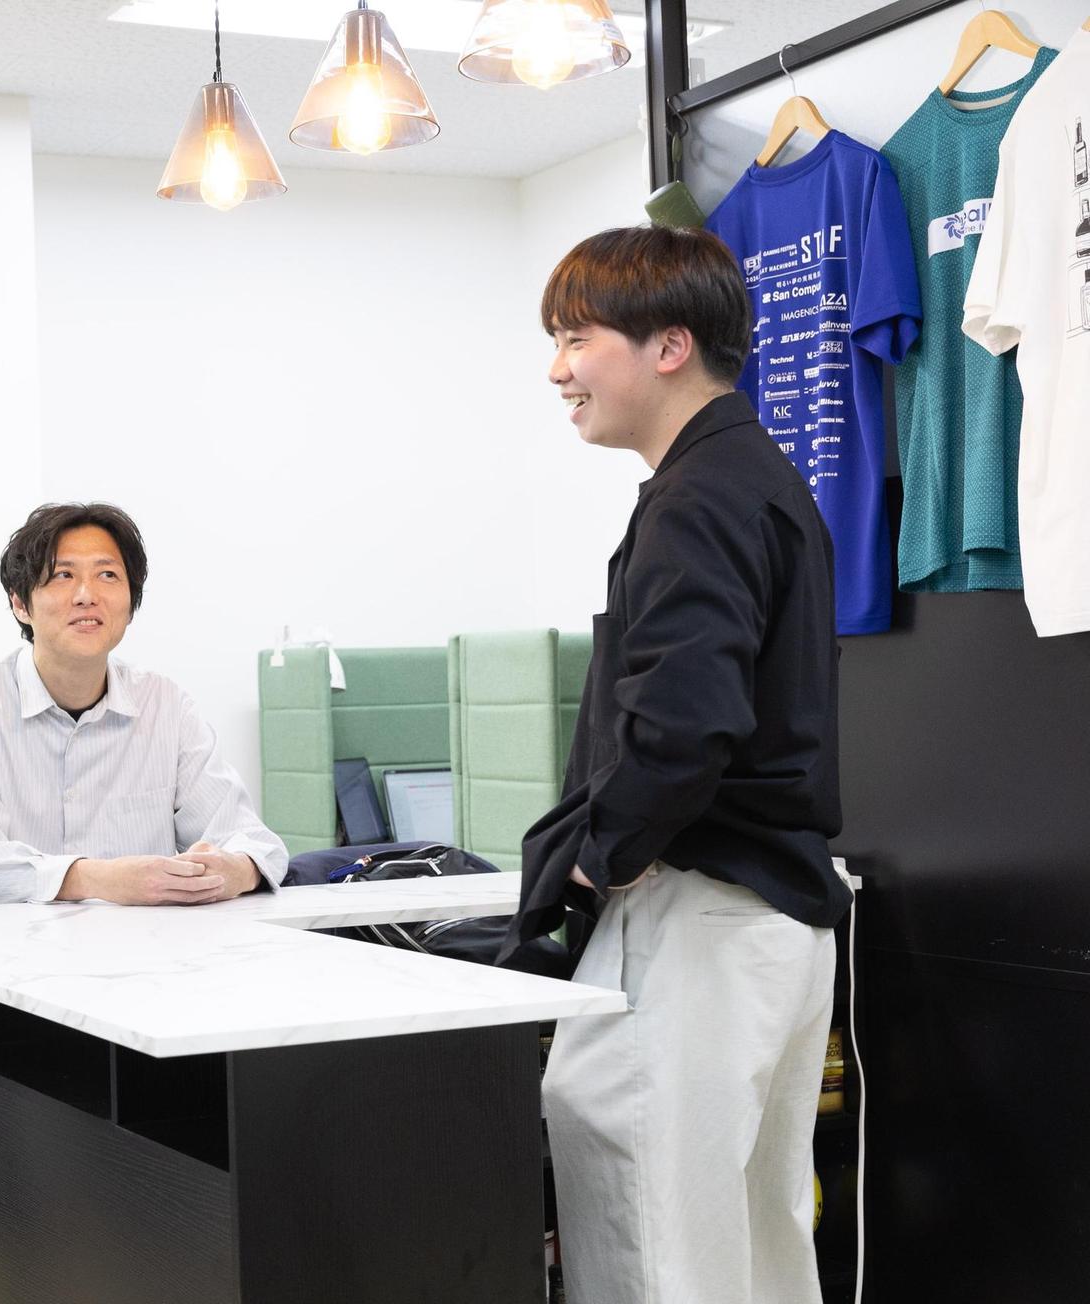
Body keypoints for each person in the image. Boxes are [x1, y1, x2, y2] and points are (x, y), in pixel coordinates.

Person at [501, 225, 854, 1304]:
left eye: (576, 338)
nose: (557, 369)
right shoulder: (760, 478)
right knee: (753, 1245)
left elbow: (685, 723)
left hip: (700, 920)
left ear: (668, 346)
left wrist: (595, 854)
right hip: (768, 924)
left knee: (656, 1236)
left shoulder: (696, 496)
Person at [0, 501, 286, 910]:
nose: (87, 595)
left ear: (131, 602)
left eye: (107, 575)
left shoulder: (166, 706)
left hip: (138, 946)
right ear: (20, 603)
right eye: (63, 575)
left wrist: (235, 870)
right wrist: (102, 879)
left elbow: (253, 842)